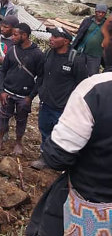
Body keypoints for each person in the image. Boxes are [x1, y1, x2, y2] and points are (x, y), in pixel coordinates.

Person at [26, 16, 112, 236]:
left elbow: (58, 158)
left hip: (91, 207)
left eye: (105, 37)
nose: (102, 44)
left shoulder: (96, 89)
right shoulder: (49, 56)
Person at [30, 27, 88, 170]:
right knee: (44, 131)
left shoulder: (76, 59)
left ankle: (62, 162)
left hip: (63, 107)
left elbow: (82, 84)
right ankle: (45, 157)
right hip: (46, 103)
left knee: (62, 136)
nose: (51, 39)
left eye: (56, 37)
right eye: (51, 36)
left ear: (66, 41)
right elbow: (42, 75)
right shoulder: (49, 53)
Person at [0, 23, 44, 155]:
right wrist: (1, 91)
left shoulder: (37, 54)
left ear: (25, 35)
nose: (12, 37)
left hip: (24, 95)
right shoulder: (12, 50)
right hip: (8, 92)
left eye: (15, 35)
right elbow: (3, 70)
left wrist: (31, 96)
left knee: (21, 120)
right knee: (3, 117)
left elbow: (40, 78)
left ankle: (18, 142)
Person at [71, 3, 108, 75]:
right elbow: (80, 33)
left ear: (105, 14)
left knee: (93, 74)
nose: (100, 14)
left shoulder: (107, 25)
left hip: (96, 55)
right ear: (95, 12)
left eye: (103, 13)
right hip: (82, 51)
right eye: (99, 12)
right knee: (78, 71)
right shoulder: (88, 21)